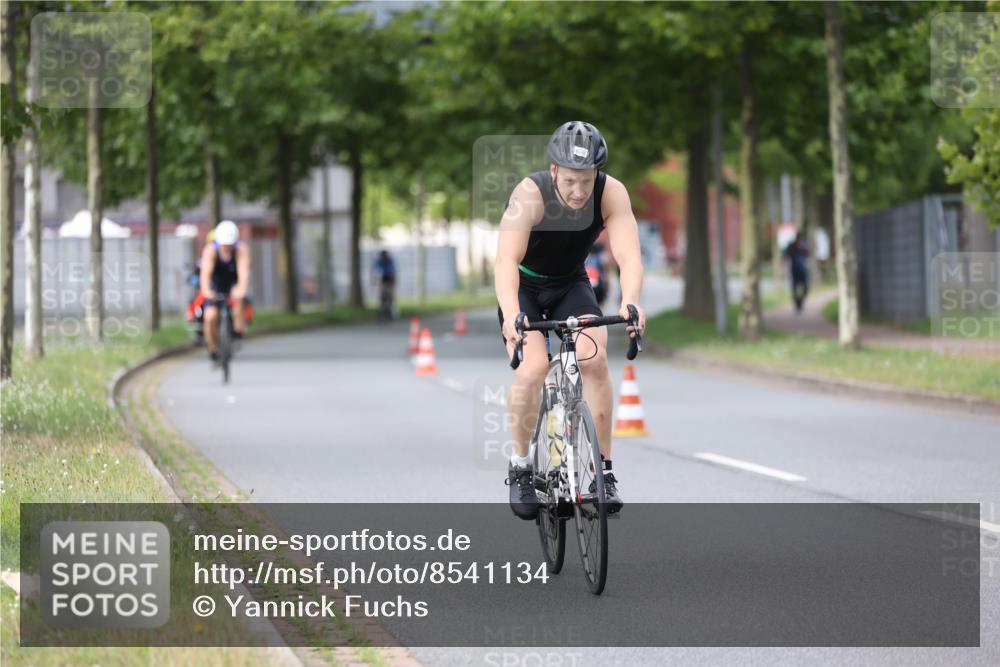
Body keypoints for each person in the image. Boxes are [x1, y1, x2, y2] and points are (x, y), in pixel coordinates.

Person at [495, 121, 646, 520]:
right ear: (555, 169)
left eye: (587, 180)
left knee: (594, 359)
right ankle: (522, 465)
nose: (580, 191)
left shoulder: (610, 193)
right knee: (534, 369)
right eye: (571, 181)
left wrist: (631, 303)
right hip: (524, 287)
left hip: (570, 285)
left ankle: (604, 473)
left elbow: (629, 256)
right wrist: (512, 316)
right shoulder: (531, 194)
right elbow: (505, 261)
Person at [200, 220, 251, 361]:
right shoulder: (211, 250)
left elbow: (243, 271)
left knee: (238, 299)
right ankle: (213, 348)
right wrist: (206, 291)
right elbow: (205, 274)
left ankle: (238, 331)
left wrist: (241, 288)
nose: (227, 248)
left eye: (230, 245)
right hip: (216, 284)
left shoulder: (241, 250)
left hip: (232, 283)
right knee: (210, 316)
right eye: (225, 245)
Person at [784, 231, 810, 313]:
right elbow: (787, 254)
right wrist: (795, 248)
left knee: (805, 288)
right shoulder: (792, 245)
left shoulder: (805, 244)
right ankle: (797, 305)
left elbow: (808, 253)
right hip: (794, 270)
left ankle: (800, 301)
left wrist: (802, 248)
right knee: (794, 288)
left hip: (803, 269)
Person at [584, 240, 610, 311]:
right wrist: (607, 289)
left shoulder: (586, 259)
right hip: (598, 287)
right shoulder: (601, 258)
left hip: (588, 287)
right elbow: (605, 277)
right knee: (599, 307)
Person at [372, 249, 397, 320]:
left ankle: (391, 309)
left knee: (390, 294)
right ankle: (381, 309)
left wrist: (393, 282)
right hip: (382, 279)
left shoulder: (390, 261)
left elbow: (393, 272)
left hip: (389, 278)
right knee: (381, 294)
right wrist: (375, 280)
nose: (384, 258)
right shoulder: (378, 261)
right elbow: (375, 271)